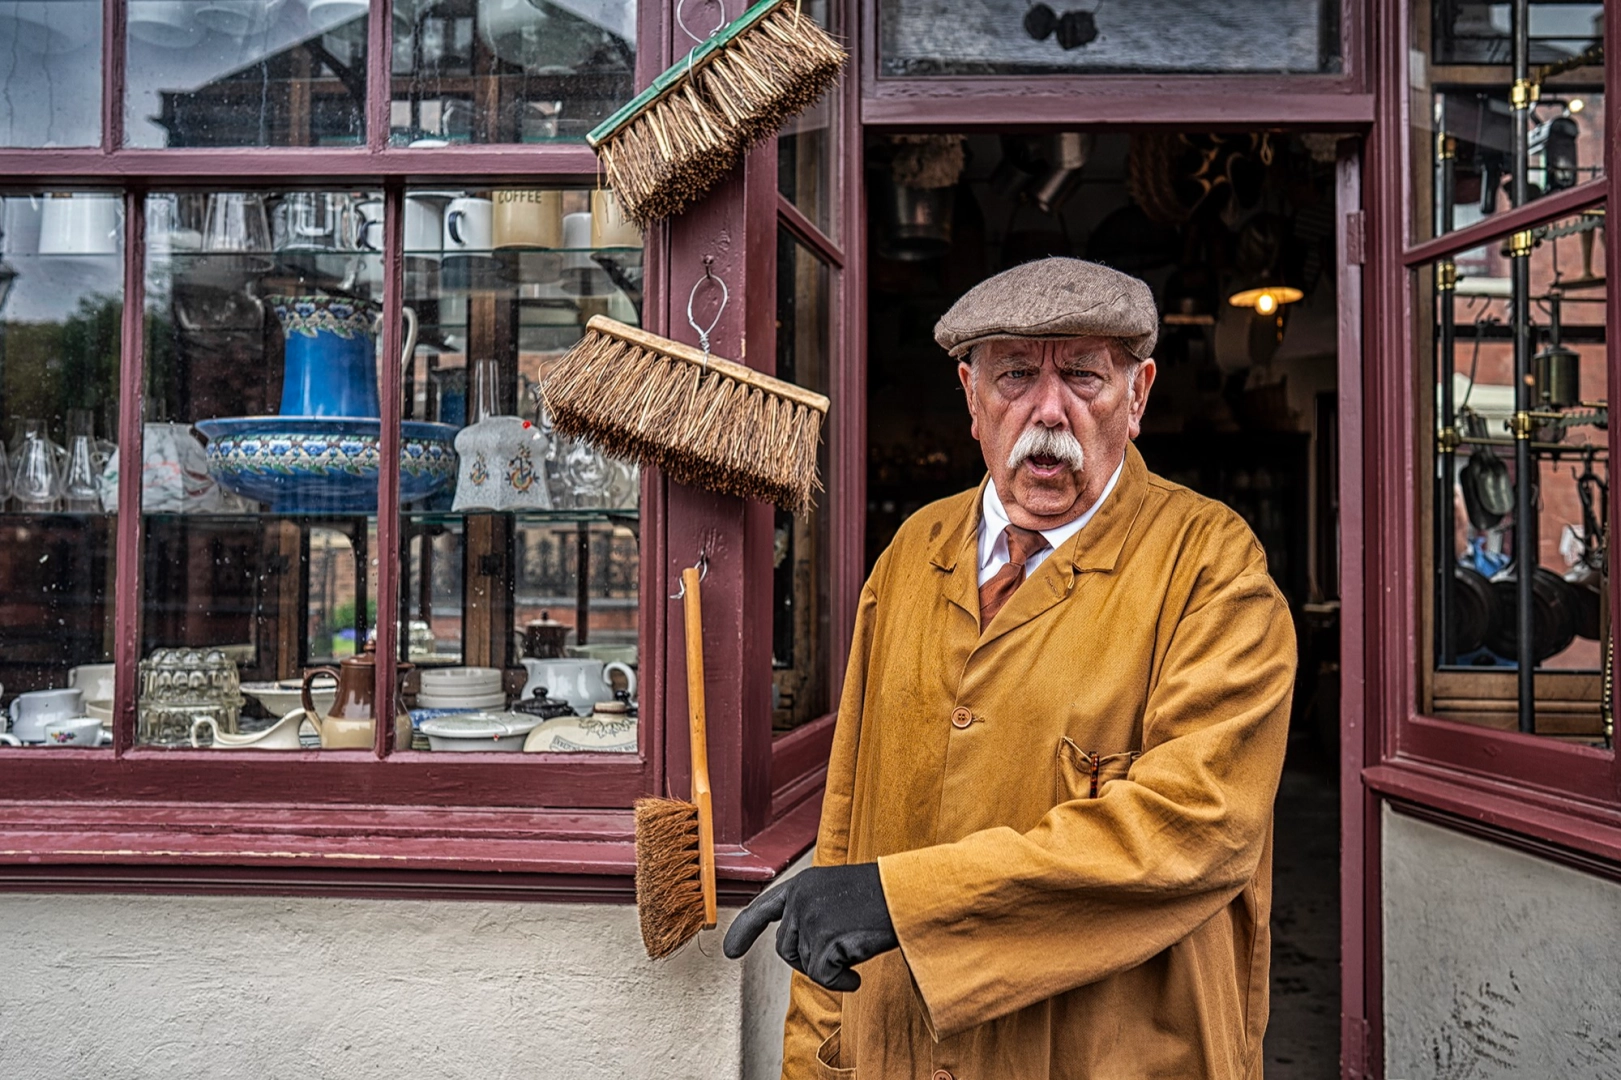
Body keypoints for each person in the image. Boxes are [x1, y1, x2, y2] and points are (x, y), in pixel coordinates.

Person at [723, 257, 1297, 1079]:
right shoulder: (913, 552)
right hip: (898, 1049)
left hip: (1107, 1053)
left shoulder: (1211, 567)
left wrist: (902, 900)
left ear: (1137, 397)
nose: (1048, 410)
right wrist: (816, 1056)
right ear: (969, 397)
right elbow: (849, 815)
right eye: (1016, 376)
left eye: (1085, 378)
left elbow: (1198, 825)